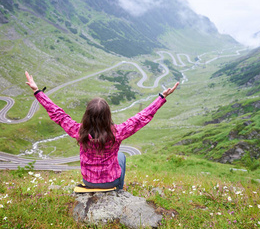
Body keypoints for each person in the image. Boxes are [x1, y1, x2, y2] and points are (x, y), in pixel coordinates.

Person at [25, 71, 179, 190]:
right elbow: (141, 118)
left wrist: (38, 91)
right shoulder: (117, 133)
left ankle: (107, 187)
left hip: (88, 182)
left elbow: (58, 114)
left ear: (87, 115)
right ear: (107, 116)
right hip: (110, 182)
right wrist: (161, 97)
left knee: (119, 156)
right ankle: (118, 190)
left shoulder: (79, 131)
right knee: (121, 157)